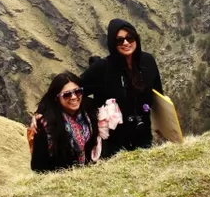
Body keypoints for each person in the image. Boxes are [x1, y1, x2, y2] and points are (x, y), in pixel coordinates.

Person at [80, 19, 163, 155]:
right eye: (119, 40)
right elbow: (74, 90)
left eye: (130, 38)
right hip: (114, 144)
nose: (126, 43)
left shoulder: (147, 61)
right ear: (113, 44)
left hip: (143, 138)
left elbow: (158, 94)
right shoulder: (103, 67)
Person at [30, 72, 100, 172]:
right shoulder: (47, 125)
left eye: (77, 92)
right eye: (67, 95)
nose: (74, 97)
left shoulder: (89, 110)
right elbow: (38, 166)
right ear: (56, 98)